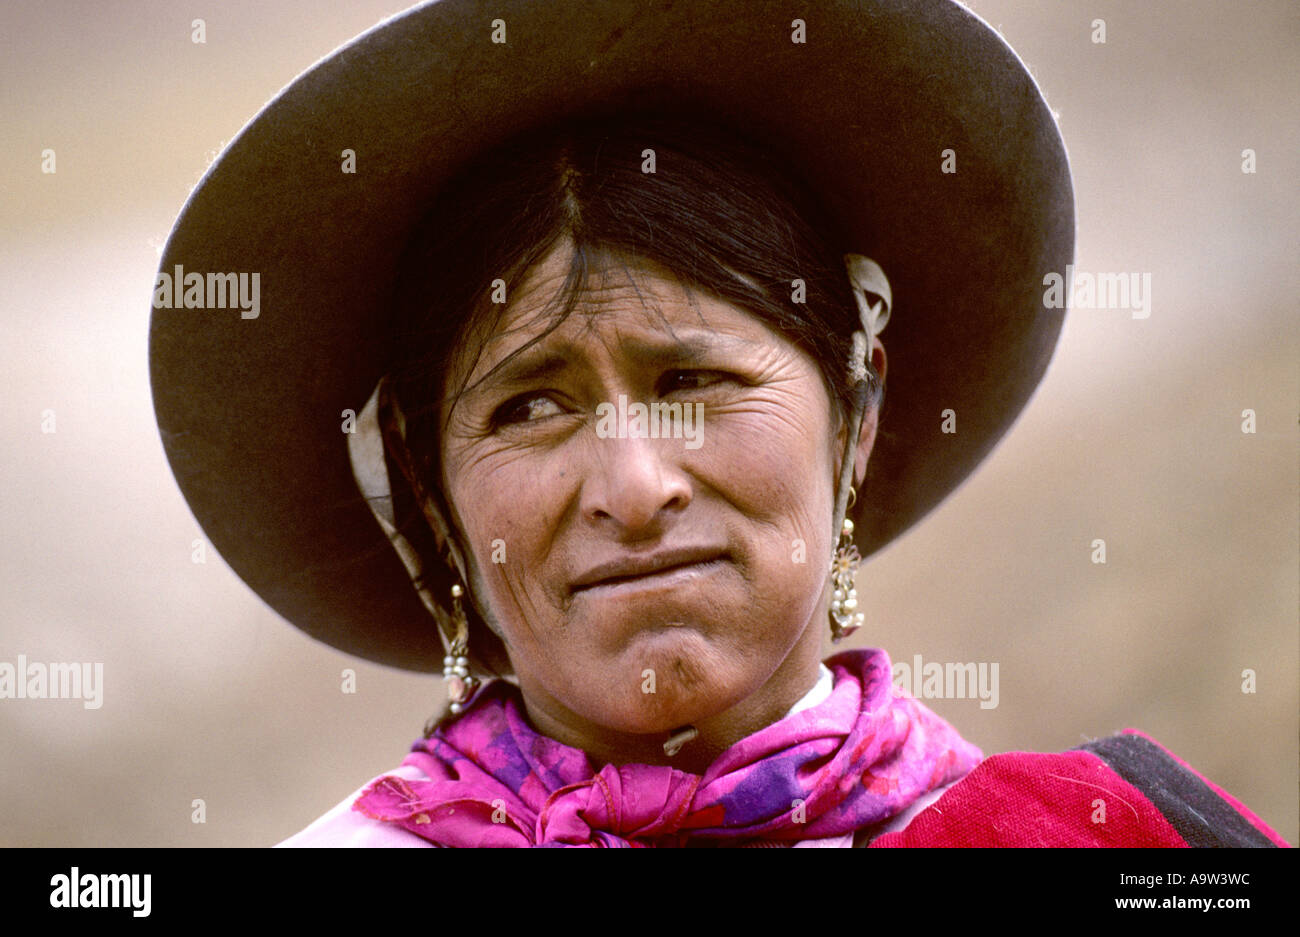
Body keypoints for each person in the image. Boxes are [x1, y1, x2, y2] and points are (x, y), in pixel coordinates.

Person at [149, 0, 1288, 847]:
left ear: (858, 412)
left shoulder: (1113, 837)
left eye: (692, 379)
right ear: (429, 505)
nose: (635, 486)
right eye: (530, 404)